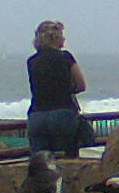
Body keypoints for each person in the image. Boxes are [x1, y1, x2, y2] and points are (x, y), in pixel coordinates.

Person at [25, 20, 89, 158]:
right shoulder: (65, 57)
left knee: (40, 163)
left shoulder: (32, 61)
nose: (64, 38)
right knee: (68, 160)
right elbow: (81, 85)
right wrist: (67, 89)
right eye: (61, 35)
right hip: (63, 113)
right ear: (54, 38)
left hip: (37, 115)